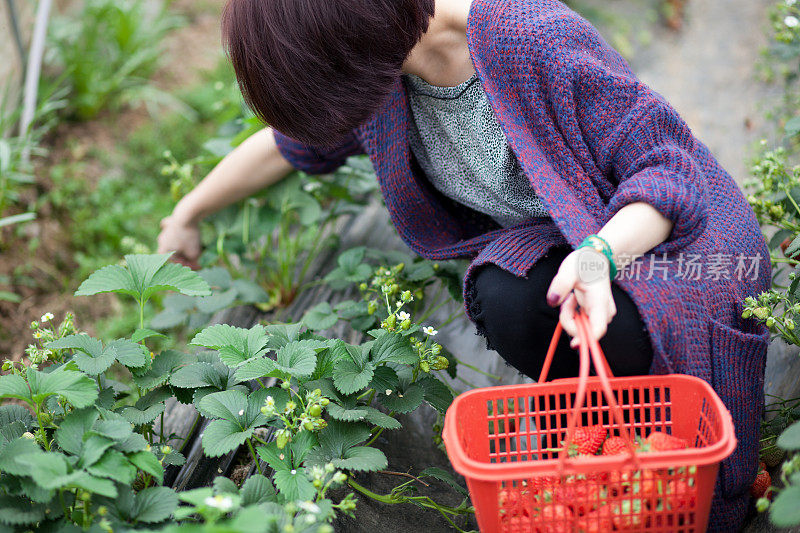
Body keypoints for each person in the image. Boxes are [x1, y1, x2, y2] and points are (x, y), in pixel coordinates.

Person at [157, 0, 770, 529]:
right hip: (574, 243)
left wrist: (600, 256)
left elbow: (668, 171)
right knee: (508, 299)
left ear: (355, 37)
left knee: (599, 329)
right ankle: (603, 436)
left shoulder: (528, 38)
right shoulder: (386, 77)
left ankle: (651, 435)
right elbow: (286, 149)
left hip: (680, 244)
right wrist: (188, 211)